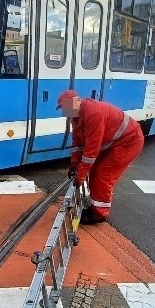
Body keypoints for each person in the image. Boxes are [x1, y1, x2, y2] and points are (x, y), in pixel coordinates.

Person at [57, 89, 144, 224]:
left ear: (76, 102)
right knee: (94, 170)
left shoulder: (93, 113)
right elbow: (78, 143)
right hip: (116, 142)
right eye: (63, 108)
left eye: (65, 107)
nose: (64, 112)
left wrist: (80, 175)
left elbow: (91, 151)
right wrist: (74, 164)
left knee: (103, 174)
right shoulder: (76, 116)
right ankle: (96, 205)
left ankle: (99, 214)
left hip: (128, 142)